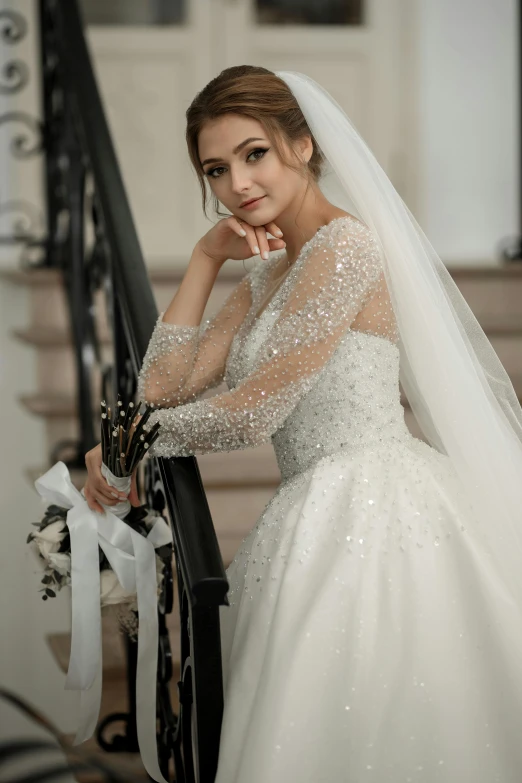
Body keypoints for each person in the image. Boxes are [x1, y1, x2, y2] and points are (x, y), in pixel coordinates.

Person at [84, 66, 522, 781]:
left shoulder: (346, 249)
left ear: (304, 145)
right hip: (309, 504)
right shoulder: (266, 274)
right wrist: (205, 257)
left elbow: (257, 408)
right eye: (217, 169)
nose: (239, 184)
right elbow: (165, 384)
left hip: (376, 503)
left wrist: (134, 443)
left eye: (254, 154)